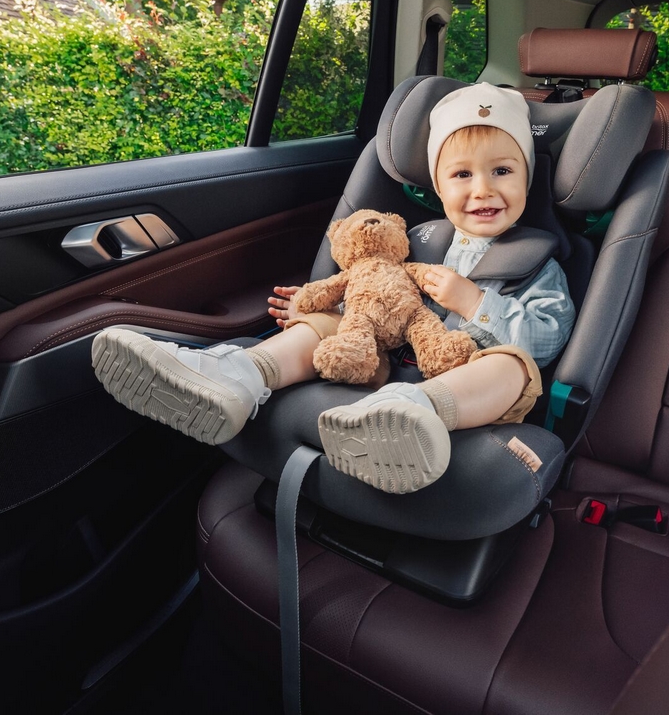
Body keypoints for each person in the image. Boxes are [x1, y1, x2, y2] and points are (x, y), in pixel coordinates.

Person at [92, 83, 575, 493]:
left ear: (527, 179)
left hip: (468, 381)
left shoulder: (535, 260)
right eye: (462, 175)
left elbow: (549, 338)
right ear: (438, 186)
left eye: (502, 171)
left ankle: (413, 415)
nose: (482, 189)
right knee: (327, 322)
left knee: (514, 367)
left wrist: (475, 303)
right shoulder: (420, 240)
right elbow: (378, 297)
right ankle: (239, 376)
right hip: (383, 360)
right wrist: (319, 309)